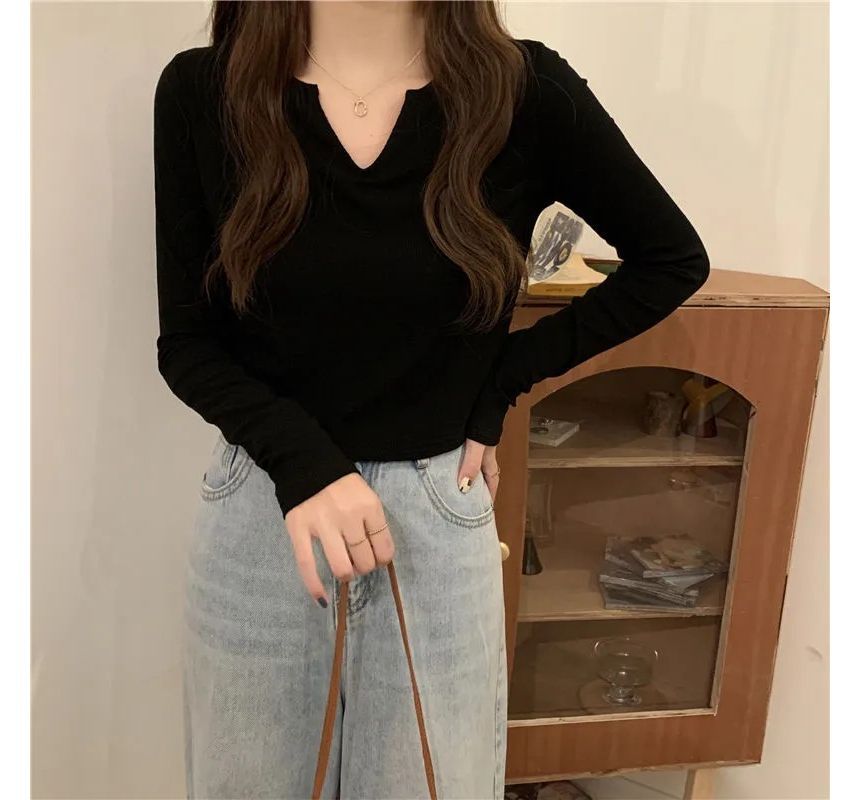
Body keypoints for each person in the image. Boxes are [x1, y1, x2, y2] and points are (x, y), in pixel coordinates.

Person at [152, 1, 710, 798]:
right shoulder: (206, 91)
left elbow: (670, 259)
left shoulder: (521, 90)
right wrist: (305, 465)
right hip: (264, 511)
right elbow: (188, 344)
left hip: (435, 513)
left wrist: (500, 383)